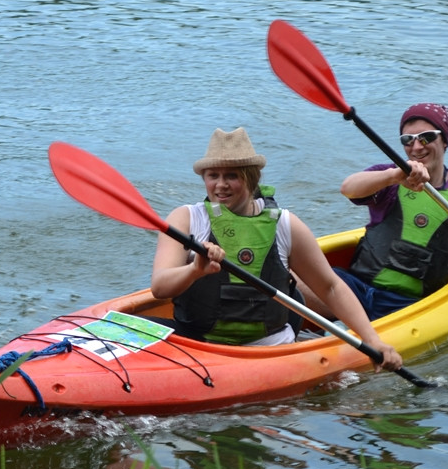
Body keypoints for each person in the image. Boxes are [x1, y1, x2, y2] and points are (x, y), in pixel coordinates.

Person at [150, 127, 402, 372]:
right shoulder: (186, 219)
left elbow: (330, 287)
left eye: (232, 176)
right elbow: (160, 287)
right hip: (198, 344)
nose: (220, 185)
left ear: (251, 177)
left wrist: (372, 339)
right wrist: (195, 270)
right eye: (212, 175)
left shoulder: (285, 225)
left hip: (270, 351)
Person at [305, 103, 448, 321]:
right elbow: (348, 188)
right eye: (407, 140)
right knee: (286, 273)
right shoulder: (388, 177)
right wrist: (393, 176)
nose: (416, 147)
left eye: (427, 137)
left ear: (445, 141)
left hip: (411, 306)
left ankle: (344, 328)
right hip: (354, 289)